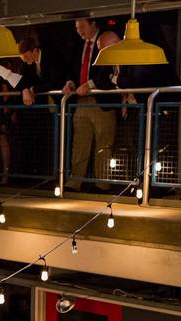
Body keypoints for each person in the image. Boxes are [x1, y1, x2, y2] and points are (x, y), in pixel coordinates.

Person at [64, 19, 118, 192]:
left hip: (101, 100)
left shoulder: (106, 41)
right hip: (81, 100)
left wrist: (90, 84)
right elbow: (74, 69)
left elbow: (109, 72)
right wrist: (70, 82)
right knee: (79, 142)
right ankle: (74, 182)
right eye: (77, 28)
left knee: (104, 143)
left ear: (93, 23)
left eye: (82, 27)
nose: (79, 31)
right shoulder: (78, 46)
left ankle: (102, 184)